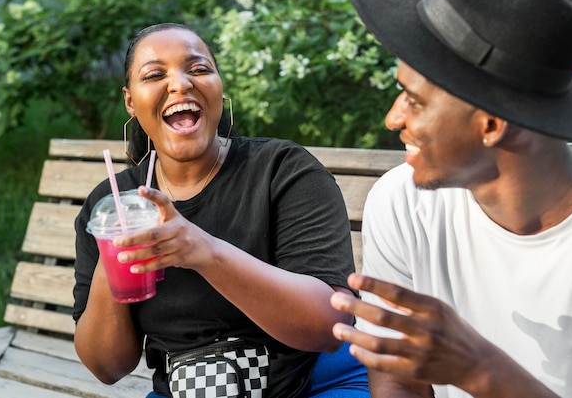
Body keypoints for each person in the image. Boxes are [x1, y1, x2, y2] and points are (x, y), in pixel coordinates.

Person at [73, 23, 368, 397]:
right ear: (131, 101)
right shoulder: (111, 203)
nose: (180, 84)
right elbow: (107, 367)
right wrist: (112, 253)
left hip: (313, 384)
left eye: (198, 69)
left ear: (219, 86)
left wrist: (203, 251)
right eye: (155, 74)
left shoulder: (283, 171)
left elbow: (329, 326)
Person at [329, 0, 572, 397]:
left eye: (414, 99)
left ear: (491, 125)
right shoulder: (402, 202)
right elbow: (399, 380)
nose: (393, 119)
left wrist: (481, 370)